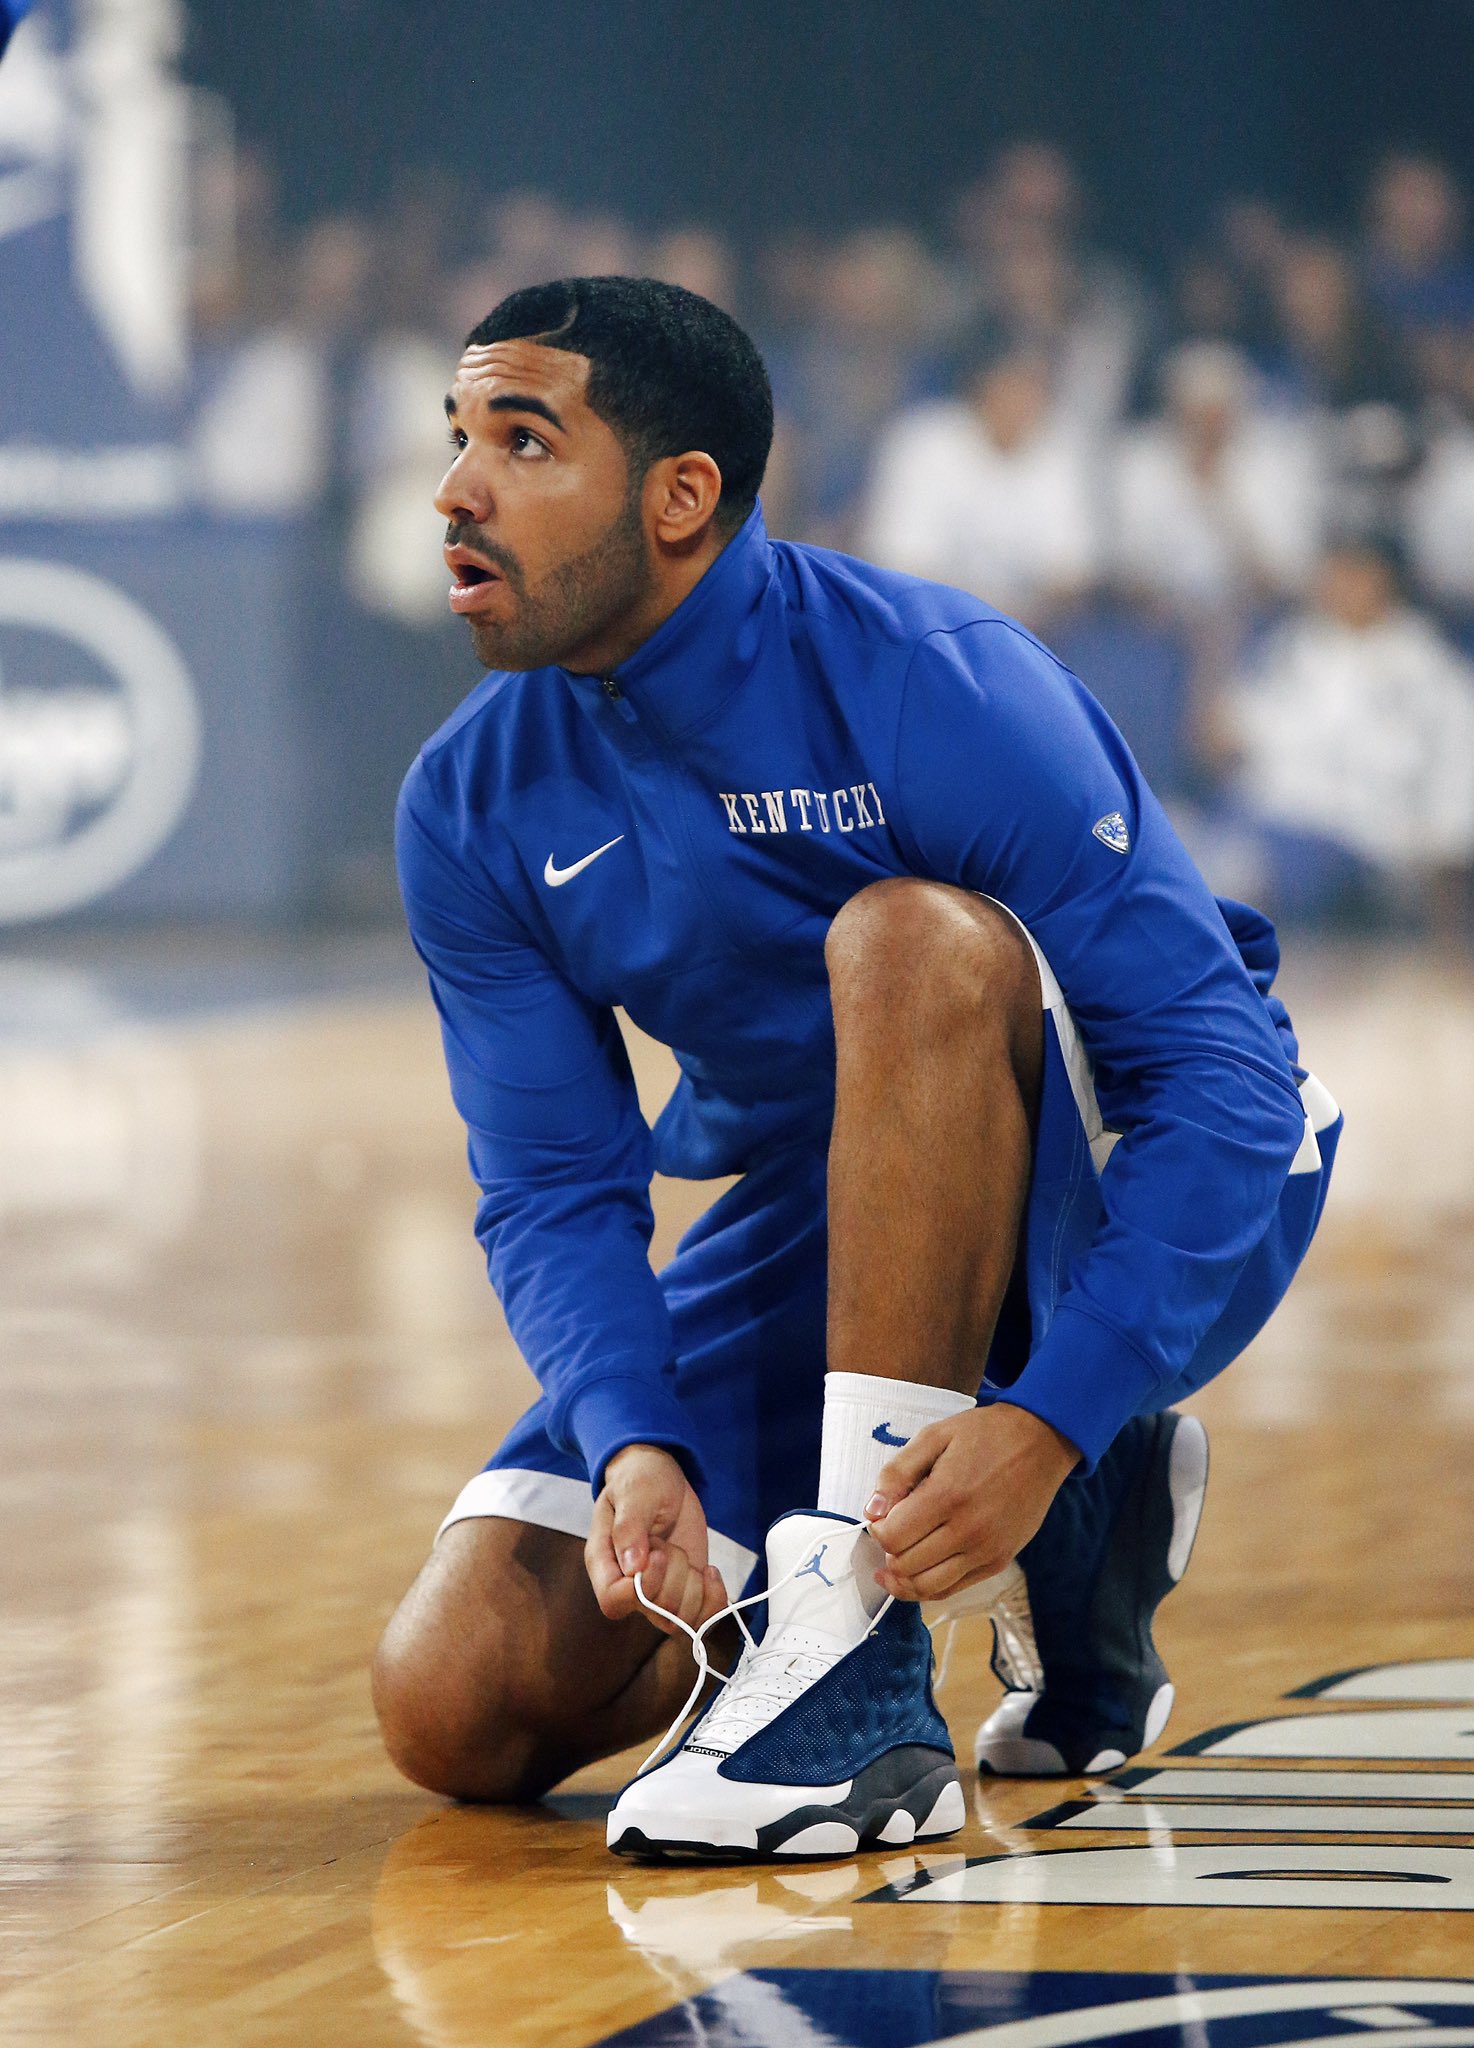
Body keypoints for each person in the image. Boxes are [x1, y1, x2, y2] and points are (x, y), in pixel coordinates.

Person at [372, 277, 1341, 1863]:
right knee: (456, 1703)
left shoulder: (929, 676)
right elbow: (552, 1184)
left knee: (903, 940)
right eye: (459, 434)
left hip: (1151, 1173)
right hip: (846, 1211)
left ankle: (865, 1688)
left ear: (681, 497)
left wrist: (1053, 1414)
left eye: (523, 441)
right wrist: (633, 1438)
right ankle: (1072, 1529)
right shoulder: (468, 801)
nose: (454, 490)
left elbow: (1220, 1085)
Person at [1215, 535, 1474, 933]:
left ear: (1385, 580)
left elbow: (1455, 795)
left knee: (1242, 874)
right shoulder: (1295, 646)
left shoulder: (1429, 667)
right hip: (1266, 823)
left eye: (1354, 572)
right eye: (1333, 571)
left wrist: (1437, 875)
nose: (1338, 584)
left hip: (1363, 846)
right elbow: (1224, 737)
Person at [858, 325, 1102, 629]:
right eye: (1011, 384)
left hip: (1026, 632)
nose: (1022, 400)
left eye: (1034, 386)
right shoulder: (922, 441)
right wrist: (978, 618)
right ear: (979, 387)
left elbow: (1071, 577)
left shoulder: (1062, 451)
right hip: (924, 626)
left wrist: (1009, 624)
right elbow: (898, 563)